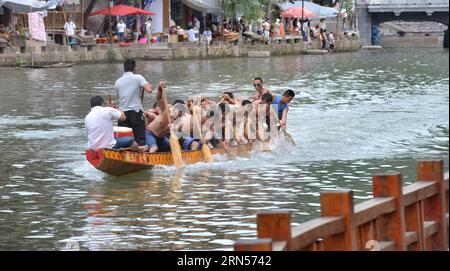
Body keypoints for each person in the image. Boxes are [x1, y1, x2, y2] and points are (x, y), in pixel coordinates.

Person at [115, 59, 153, 147]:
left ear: (123, 68)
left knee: (124, 140)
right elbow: (149, 90)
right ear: (134, 68)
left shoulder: (117, 82)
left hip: (122, 114)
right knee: (140, 139)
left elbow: (119, 97)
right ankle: (141, 154)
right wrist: (150, 86)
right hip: (136, 112)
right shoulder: (138, 77)